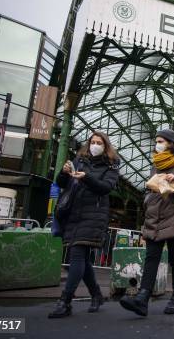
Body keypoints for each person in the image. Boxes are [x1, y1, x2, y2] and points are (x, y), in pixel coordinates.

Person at [120, 129, 174, 317]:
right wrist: (148, 198)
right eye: (157, 141)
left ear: (171, 143)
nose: (157, 144)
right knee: (151, 258)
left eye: (161, 141)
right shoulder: (156, 164)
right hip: (154, 217)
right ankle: (142, 298)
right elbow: (150, 187)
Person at [48, 131, 120, 318]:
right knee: (82, 259)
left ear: (106, 146)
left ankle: (65, 301)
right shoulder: (80, 159)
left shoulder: (112, 165)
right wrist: (63, 173)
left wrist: (86, 177)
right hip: (74, 213)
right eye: (92, 142)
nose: (95, 145)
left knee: (77, 255)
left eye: (99, 143)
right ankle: (96, 294)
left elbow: (106, 188)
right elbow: (63, 183)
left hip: (94, 215)